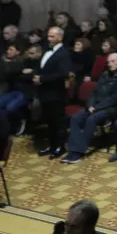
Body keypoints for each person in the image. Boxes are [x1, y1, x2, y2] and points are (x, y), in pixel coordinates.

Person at [62, 53, 117, 163]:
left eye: (113, 62)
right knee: (75, 118)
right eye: (108, 62)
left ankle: (79, 152)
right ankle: (73, 150)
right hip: (95, 106)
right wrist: (90, 105)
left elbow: (115, 99)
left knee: (91, 119)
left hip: (111, 109)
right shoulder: (105, 74)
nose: (109, 64)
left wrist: (96, 108)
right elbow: (94, 92)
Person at [36, 26, 73, 159]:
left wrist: (43, 79)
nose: (49, 38)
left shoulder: (64, 53)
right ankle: (51, 145)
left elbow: (63, 73)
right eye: (49, 36)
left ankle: (60, 146)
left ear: (60, 37)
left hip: (56, 93)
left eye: (52, 36)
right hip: (45, 92)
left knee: (58, 121)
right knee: (49, 121)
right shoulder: (47, 50)